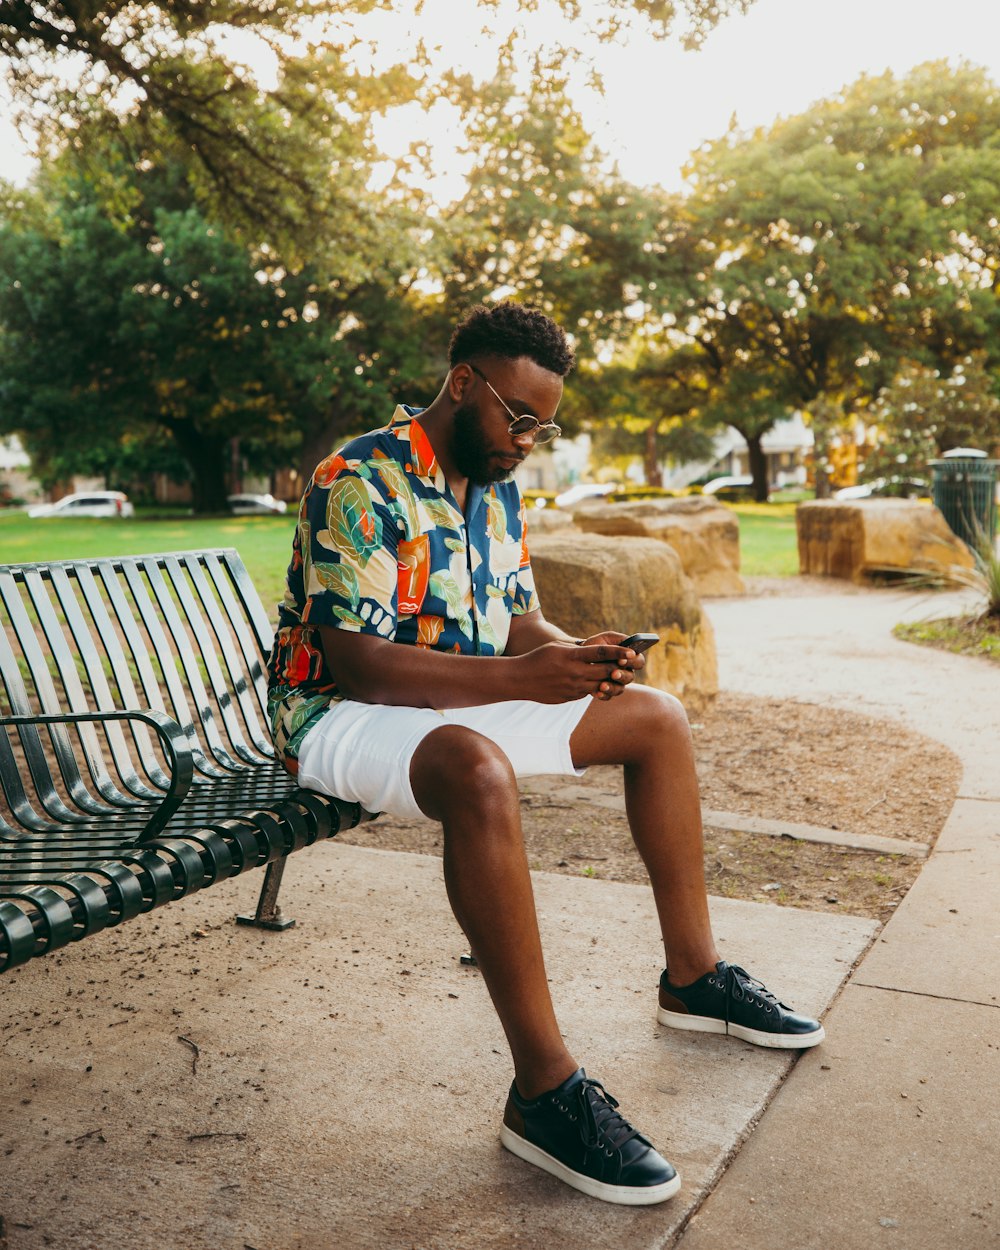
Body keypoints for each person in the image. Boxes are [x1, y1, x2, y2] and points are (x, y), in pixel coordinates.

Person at [267, 301, 824, 1207]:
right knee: (477, 771)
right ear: (462, 385)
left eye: (544, 424)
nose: (528, 439)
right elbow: (358, 660)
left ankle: (694, 978)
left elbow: (516, 620)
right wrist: (528, 677)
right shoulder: (358, 477)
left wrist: (576, 657)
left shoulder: (497, 483)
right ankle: (544, 1091)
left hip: (466, 694)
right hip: (338, 713)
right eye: (518, 416)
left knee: (654, 717)